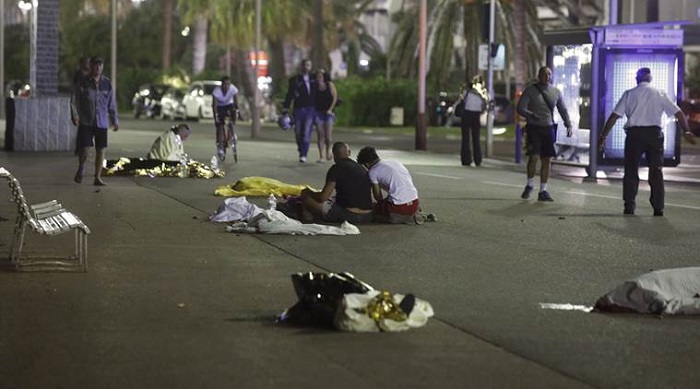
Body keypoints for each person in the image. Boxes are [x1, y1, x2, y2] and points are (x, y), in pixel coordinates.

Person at [598, 67, 696, 216]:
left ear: (637, 79)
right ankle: (658, 207)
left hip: (634, 135)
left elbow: (614, 116)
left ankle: (629, 205)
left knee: (631, 170)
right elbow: (679, 113)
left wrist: (603, 136)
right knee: (656, 171)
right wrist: (686, 130)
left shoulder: (629, 94)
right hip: (654, 135)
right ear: (650, 79)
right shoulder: (659, 93)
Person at [516, 66, 572, 201]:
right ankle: (529, 185)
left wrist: (568, 124)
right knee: (534, 157)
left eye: (549, 74)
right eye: (544, 74)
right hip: (534, 128)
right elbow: (520, 108)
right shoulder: (530, 91)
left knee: (547, 159)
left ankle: (543, 190)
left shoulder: (556, 92)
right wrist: (531, 115)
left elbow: (562, 109)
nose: (547, 77)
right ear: (539, 76)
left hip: (548, 128)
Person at [70, 56, 118, 186]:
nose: (97, 67)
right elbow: (75, 101)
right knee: (84, 148)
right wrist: (75, 115)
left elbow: (111, 104)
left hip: (101, 122)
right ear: (90, 66)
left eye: (100, 65)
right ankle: (81, 167)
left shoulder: (107, 84)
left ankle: (97, 177)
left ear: (102, 67)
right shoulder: (83, 82)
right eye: (95, 65)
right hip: (86, 121)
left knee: (100, 149)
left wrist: (115, 120)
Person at [300, 142, 374, 224]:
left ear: (334, 155)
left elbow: (322, 197)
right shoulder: (361, 168)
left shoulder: (336, 168)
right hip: (368, 216)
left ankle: (309, 221)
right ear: (349, 153)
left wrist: (309, 192)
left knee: (307, 199)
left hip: (349, 216)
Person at [356, 146, 420, 224]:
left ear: (367, 164)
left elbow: (378, 197)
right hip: (415, 202)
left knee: (372, 209)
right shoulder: (395, 162)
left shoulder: (373, 172)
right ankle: (413, 214)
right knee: (389, 199)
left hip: (400, 207)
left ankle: (401, 218)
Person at [283, 59, 316, 163]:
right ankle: (301, 147)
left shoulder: (314, 79)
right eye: (305, 65)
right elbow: (290, 94)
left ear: (311, 67)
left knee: (306, 132)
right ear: (301, 66)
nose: (306, 67)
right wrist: (286, 108)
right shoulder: (295, 79)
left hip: (310, 109)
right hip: (298, 109)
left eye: (309, 65)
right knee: (298, 132)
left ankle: (303, 154)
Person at [457, 76, 488, 166]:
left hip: (467, 115)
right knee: (476, 138)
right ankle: (478, 159)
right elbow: (484, 105)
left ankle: (466, 159)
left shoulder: (466, 92)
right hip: (476, 115)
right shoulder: (481, 94)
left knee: (465, 138)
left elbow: (461, 100)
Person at [211, 76, 239, 161]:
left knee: (234, 112)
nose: (226, 86)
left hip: (228, 105)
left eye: (228, 84)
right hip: (219, 107)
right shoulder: (216, 91)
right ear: (221, 85)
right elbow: (214, 105)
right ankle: (220, 146)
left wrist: (236, 111)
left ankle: (231, 134)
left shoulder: (233, 89)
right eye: (224, 84)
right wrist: (216, 117)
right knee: (219, 126)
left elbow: (236, 102)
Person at [313, 69, 338, 163]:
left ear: (324, 77)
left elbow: (335, 97)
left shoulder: (329, 85)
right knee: (320, 135)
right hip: (318, 113)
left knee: (328, 136)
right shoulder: (314, 86)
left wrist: (330, 109)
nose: (318, 78)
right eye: (317, 76)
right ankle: (321, 156)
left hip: (328, 113)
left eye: (320, 76)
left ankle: (328, 151)